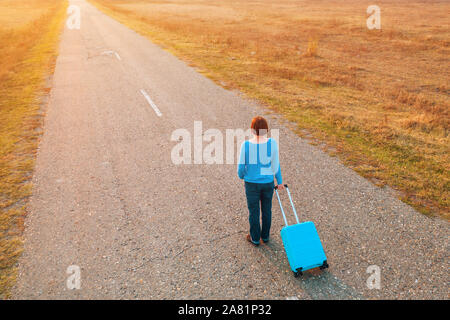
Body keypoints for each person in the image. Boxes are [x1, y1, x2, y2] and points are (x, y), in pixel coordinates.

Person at [237, 116, 283, 246]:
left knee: (254, 211)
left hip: (251, 183)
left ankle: (255, 238)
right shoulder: (272, 143)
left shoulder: (246, 145)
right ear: (266, 129)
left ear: (252, 130)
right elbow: (276, 164)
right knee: (267, 209)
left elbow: (241, 167)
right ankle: (266, 236)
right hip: (268, 183)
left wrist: (242, 176)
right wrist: (279, 181)